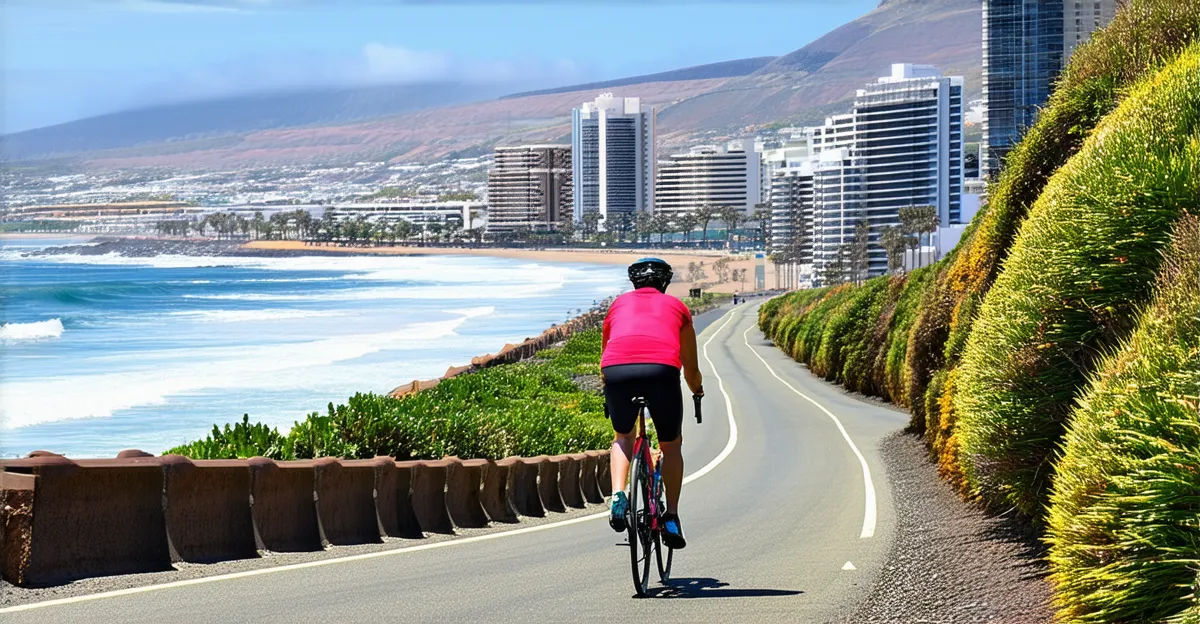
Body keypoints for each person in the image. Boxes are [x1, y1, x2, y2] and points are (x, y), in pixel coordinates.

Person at [601, 257, 703, 549]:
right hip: (661, 372)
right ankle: (670, 516)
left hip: (616, 372)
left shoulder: (617, 305)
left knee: (622, 436)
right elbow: (690, 369)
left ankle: (618, 496)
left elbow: (606, 351)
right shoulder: (678, 308)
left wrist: (608, 386)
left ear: (634, 283)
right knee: (671, 445)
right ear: (665, 283)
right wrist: (697, 390)